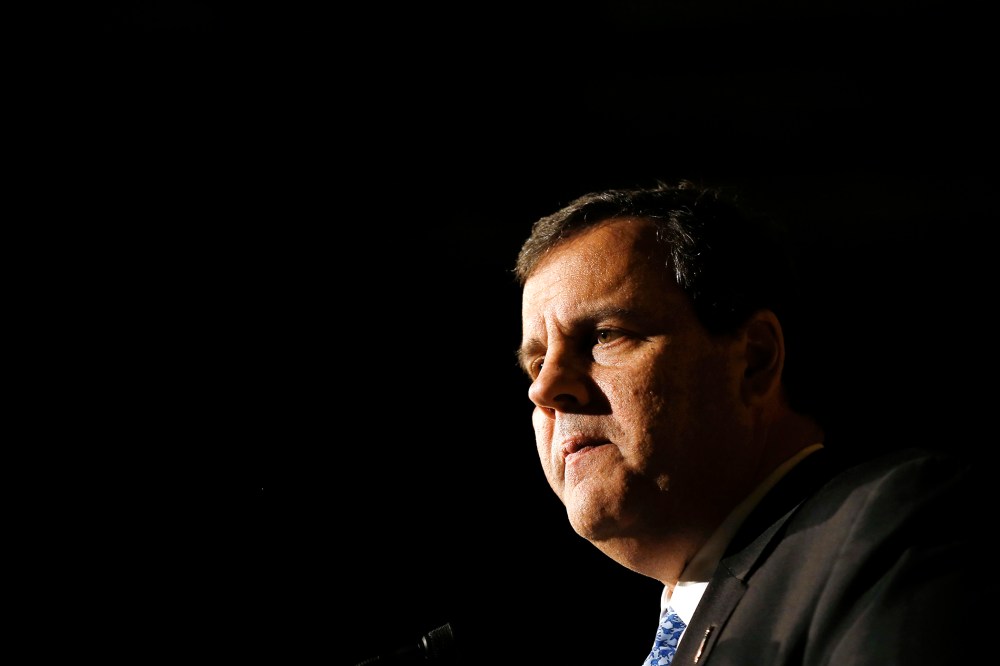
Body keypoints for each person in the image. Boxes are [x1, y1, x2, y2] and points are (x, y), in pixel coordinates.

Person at [513, 179, 988, 666]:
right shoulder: (698, 612)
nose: (544, 389)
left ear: (755, 360)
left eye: (606, 335)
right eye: (536, 362)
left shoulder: (889, 525)